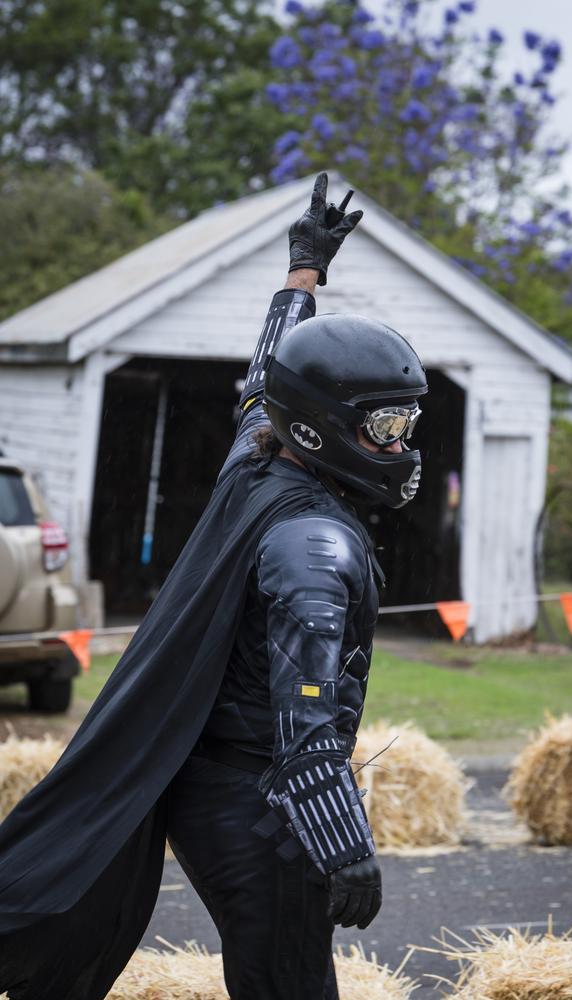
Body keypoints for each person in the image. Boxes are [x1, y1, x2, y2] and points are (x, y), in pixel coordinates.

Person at [0, 173, 427, 1000]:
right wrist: (343, 844)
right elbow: (304, 715)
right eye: (384, 425)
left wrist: (303, 271)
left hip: (201, 780)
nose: (402, 444)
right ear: (327, 427)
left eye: (407, 423)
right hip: (258, 804)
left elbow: (267, 375)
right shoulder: (315, 544)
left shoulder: (258, 455)